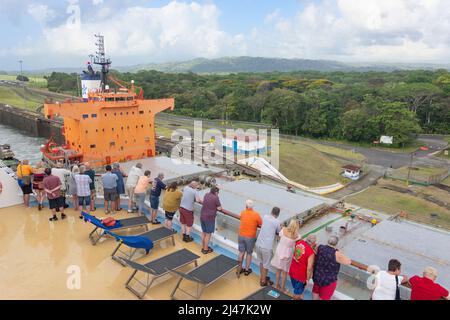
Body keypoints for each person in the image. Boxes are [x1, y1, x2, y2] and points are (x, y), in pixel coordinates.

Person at [312, 235, 352, 300]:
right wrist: (340, 252)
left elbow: (314, 248)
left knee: (315, 295)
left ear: (328, 241)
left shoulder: (320, 247)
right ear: (336, 243)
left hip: (317, 277)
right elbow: (349, 262)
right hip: (328, 281)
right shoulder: (337, 254)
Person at [271, 219, 301, 292]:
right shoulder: (297, 235)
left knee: (278, 270)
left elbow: (280, 236)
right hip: (288, 253)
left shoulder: (283, 229)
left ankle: (276, 285)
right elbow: (297, 242)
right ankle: (282, 288)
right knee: (284, 272)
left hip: (280, 250)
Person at [255, 207, 282, 287]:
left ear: (271, 211)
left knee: (261, 262)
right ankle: (263, 281)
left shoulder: (265, 217)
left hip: (258, 243)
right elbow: (279, 232)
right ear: (278, 214)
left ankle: (262, 277)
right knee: (266, 264)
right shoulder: (277, 222)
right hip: (267, 246)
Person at [237, 199, 262, 276]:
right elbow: (261, 223)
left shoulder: (242, 212)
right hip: (250, 237)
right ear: (253, 207)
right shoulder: (256, 214)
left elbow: (241, 217)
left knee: (241, 252)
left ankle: (239, 268)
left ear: (246, 206)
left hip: (241, 235)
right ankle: (247, 270)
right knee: (249, 253)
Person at [289, 234, 317, 300]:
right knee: (297, 293)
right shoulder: (311, 253)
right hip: (300, 276)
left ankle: (299, 297)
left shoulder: (299, 242)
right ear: (313, 243)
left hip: (292, 271)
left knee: (297, 289)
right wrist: (307, 279)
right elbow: (309, 268)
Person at [200, 186, 222, 254]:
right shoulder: (216, 197)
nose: (218, 194)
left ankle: (203, 247)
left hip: (202, 216)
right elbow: (219, 208)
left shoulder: (206, 194)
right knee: (208, 234)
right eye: (218, 192)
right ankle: (206, 249)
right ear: (216, 192)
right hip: (209, 218)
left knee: (204, 232)